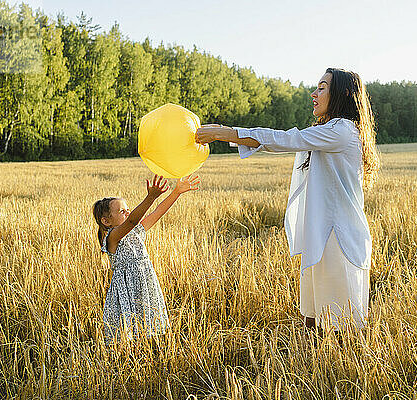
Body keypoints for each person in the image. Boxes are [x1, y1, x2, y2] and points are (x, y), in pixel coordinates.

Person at [195, 68, 380, 331]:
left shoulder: (342, 130)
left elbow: (285, 138)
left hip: (339, 240)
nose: (314, 93)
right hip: (323, 235)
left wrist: (224, 132)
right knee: (312, 318)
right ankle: (311, 368)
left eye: (322, 87)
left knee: (341, 328)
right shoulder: (332, 130)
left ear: (340, 93)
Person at [93, 174, 200, 345]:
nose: (128, 212)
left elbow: (158, 212)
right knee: (125, 333)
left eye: (128, 209)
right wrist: (150, 197)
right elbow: (132, 220)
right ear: (106, 221)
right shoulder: (113, 237)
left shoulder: (137, 231)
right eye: (122, 211)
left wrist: (176, 192)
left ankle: (147, 355)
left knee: (146, 328)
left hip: (145, 284)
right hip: (126, 291)